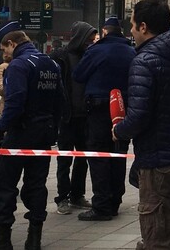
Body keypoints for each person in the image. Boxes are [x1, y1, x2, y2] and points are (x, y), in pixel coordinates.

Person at [113, 0, 170, 250]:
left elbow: (138, 116)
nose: (130, 31)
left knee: (158, 239)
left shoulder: (144, 62)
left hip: (160, 161)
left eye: (131, 25)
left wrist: (119, 130)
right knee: (169, 232)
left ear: (143, 26)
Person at [0, 21, 63, 250]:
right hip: (43, 135)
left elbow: (15, 104)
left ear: (12, 43)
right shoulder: (51, 64)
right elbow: (59, 102)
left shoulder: (19, 66)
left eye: (4, 49)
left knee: (4, 186)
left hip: (20, 134)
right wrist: (52, 129)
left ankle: (2, 240)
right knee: (37, 185)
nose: (4, 55)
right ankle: (34, 239)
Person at [73, 16, 136, 221]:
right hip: (123, 110)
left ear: (105, 31)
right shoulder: (131, 51)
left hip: (99, 111)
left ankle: (101, 206)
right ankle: (115, 201)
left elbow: (79, 75)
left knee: (99, 156)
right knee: (118, 155)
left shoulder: (96, 50)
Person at [49, 20, 97, 215]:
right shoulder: (60, 57)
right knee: (64, 159)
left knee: (82, 159)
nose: (90, 43)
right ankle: (62, 197)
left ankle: (77, 195)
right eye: (88, 39)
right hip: (66, 117)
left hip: (84, 117)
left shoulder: (89, 56)